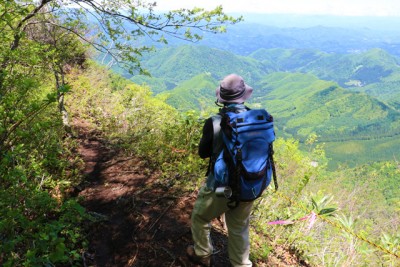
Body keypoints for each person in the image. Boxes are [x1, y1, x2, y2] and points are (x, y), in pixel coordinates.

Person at [187, 74, 255, 267]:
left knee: (200, 217)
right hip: (250, 184)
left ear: (222, 99)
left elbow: (203, 153)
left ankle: (202, 255)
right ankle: (241, 264)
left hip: (220, 187)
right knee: (239, 227)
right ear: (243, 96)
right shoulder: (256, 119)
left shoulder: (215, 122)